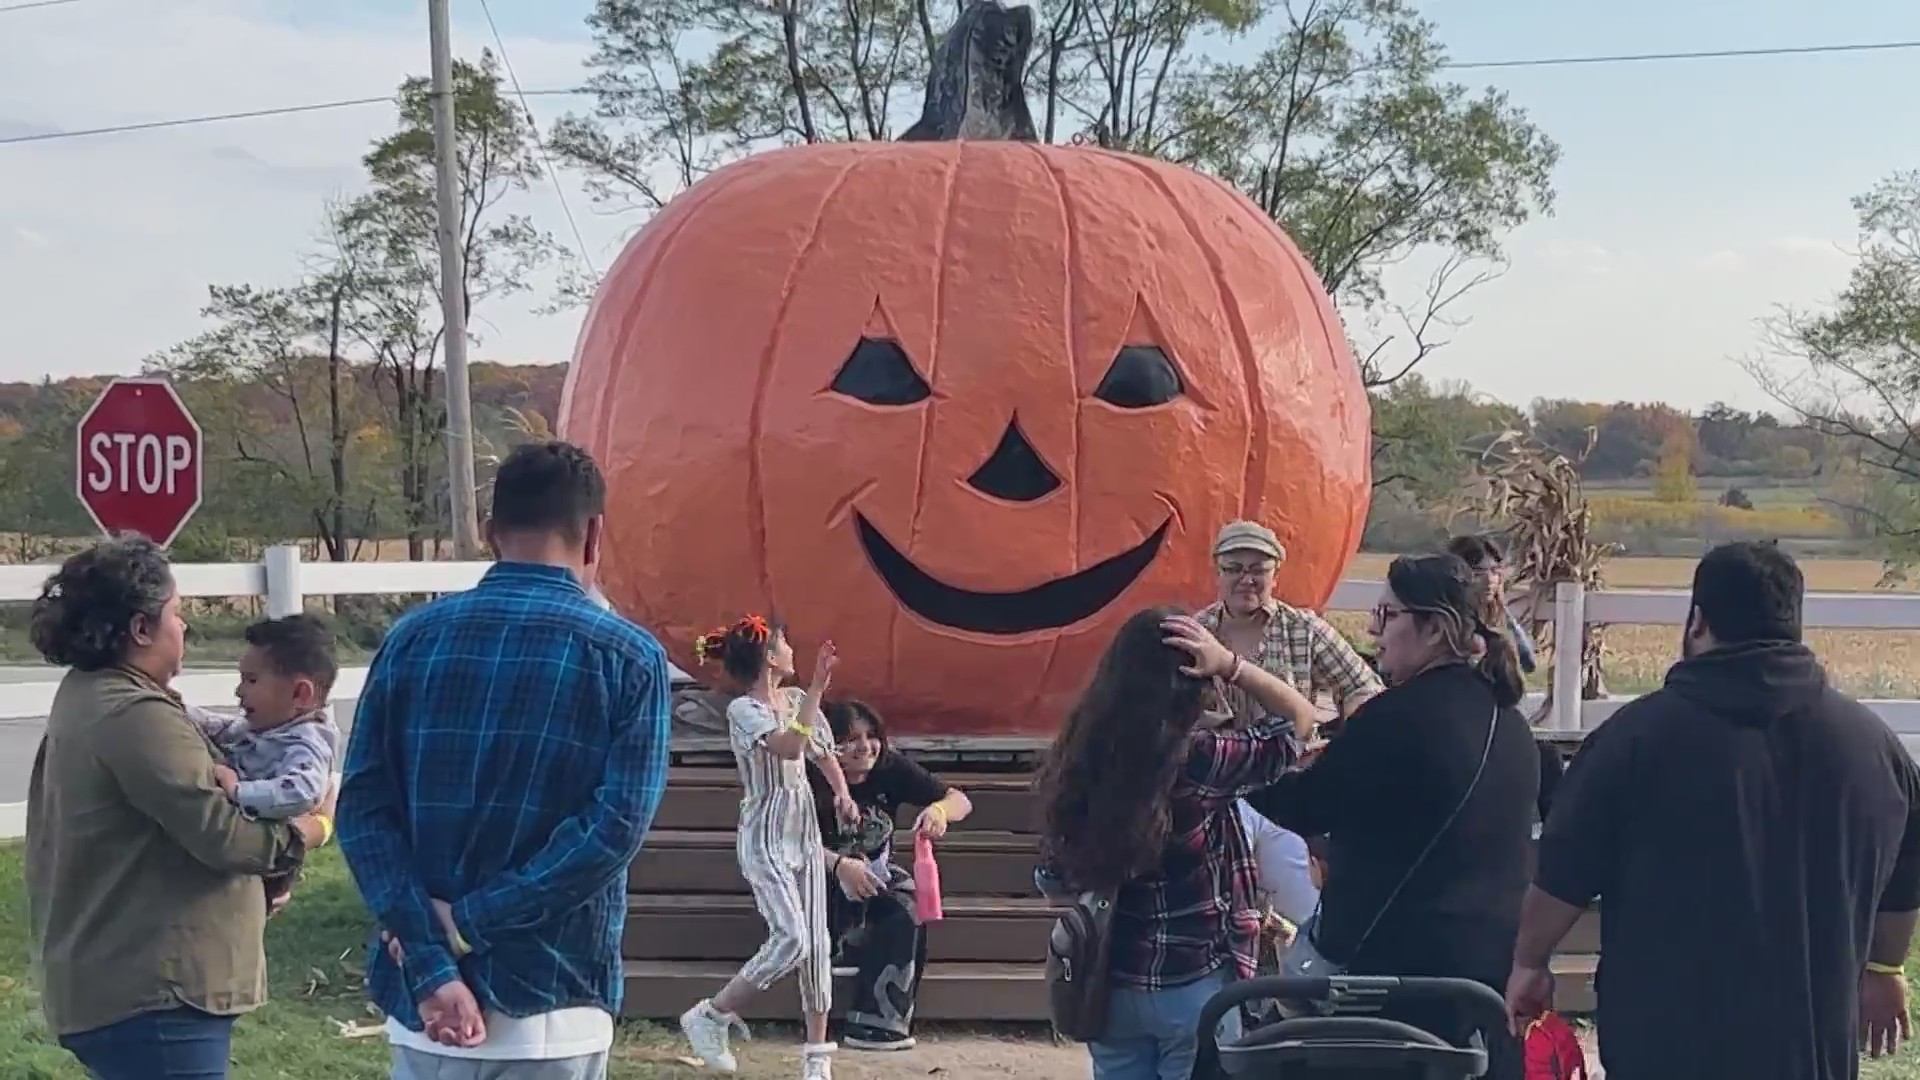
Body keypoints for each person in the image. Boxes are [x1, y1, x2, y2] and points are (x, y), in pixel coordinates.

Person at [1506, 541, 1920, 1080]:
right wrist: (1885, 968)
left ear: (1698, 621)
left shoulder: (1633, 741)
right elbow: (1906, 872)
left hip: (1664, 1048)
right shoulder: (1874, 748)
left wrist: (1529, 963)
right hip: (1809, 1049)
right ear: (1792, 624)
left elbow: (1562, 872)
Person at [337, 441, 673, 1080]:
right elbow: (612, 833)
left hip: (423, 1013)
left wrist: (432, 960)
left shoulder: (411, 639)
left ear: (490, 533)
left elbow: (362, 814)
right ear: (595, 535)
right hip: (554, 1000)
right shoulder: (629, 658)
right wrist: (467, 924)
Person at [25, 536, 334, 1080]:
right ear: (141, 629)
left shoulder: (94, 694)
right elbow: (222, 834)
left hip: (129, 986)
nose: (184, 627)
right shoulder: (135, 714)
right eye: (177, 613)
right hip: (154, 995)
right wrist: (312, 829)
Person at [1239, 553, 1539, 1080]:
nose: (1374, 630)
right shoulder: (1511, 725)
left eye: (1388, 615)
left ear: (1433, 629)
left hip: (1390, 983)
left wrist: (1242, 759)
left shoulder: (1392, 718)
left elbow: (1304, 804)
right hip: (1485, 982)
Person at [1034, 606, 1318, 1080]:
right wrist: (1232, 664)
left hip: (1108, 984)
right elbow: (1300, 720)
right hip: (1196, 981)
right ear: (1193, 681)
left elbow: (1053, 881)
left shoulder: (1080, 757)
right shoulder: (1202, 760)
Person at [679, 617, 859, 1080]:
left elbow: (821, 751)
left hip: (804, 834)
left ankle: (817, 1062)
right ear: (768, 657)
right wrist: (818, 686)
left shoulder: (796, 700)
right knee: (792, 937)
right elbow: (789, 746)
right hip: (766, 836)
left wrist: (841, 793)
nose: (792, 652)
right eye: (784, 645)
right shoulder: (744, 710)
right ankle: (712, 1013)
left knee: (816, 946)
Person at [809, 698, 973, 1052]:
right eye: (851, 738)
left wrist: (939, 810)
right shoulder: (806, 775)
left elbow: (960, 799)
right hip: (814, 871)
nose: (864, 747)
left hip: (875, 872)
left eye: (871, 736)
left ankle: (878, 1023)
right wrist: (838, 865)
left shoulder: (891, 768)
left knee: (905, 901)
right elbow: (787, 840)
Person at [187, 613, 341, 903]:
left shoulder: (307, 742)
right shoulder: (270, 725)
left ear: (300, 693)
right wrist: (179, 710)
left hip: (270, 860)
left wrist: (238, 790)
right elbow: (223, 728)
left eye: (251, 680)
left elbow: (303, 792)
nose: (238, 691)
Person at [1196, 520, 1381, 731]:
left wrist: (1351, 734)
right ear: (1217, 574)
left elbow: (1364, 688)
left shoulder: (1303, 629)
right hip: (1213, 759)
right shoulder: (1198, 632)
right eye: (1233, 569)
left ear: (1275, 576)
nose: (1246, 579)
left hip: (1290, 758)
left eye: (1258, 570)